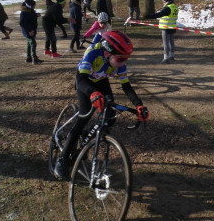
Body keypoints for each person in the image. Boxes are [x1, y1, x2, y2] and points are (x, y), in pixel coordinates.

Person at [54, 30, 149, 180]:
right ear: (107, 53)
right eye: (121, 58)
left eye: (126, 58)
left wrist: (139, 105)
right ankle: (62, 159)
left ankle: (87, 135)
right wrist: (92, 93)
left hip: (101, 81)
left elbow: (126, 86)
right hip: (84, 81)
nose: (123, 62)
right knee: (83, 117)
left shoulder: (118, 61)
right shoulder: (93, 53)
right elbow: (82, 80)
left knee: (110, 116)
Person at [144, 0, 179, 64]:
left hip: (166, 27)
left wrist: (149, 16)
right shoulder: (175, 7)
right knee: (171, 42)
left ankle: (166, 58)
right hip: (172, 26)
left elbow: (159, 14)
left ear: (166, 1)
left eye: (163, 1)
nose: (163, 2)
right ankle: (171, 56)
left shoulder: (167, 8)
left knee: (166, 43)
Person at [19, 0, 43, 64]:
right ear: (30, 5)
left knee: (29, 44)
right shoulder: (24, 12)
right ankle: (34, 59)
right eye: (34, 5)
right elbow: (22, 23)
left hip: (32, 30)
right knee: (33, 44)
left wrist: (36, 15)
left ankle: (28, 58)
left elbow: (31, 16)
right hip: (29, 31)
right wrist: (29, 31)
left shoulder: (30, 11)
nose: (35, 6)